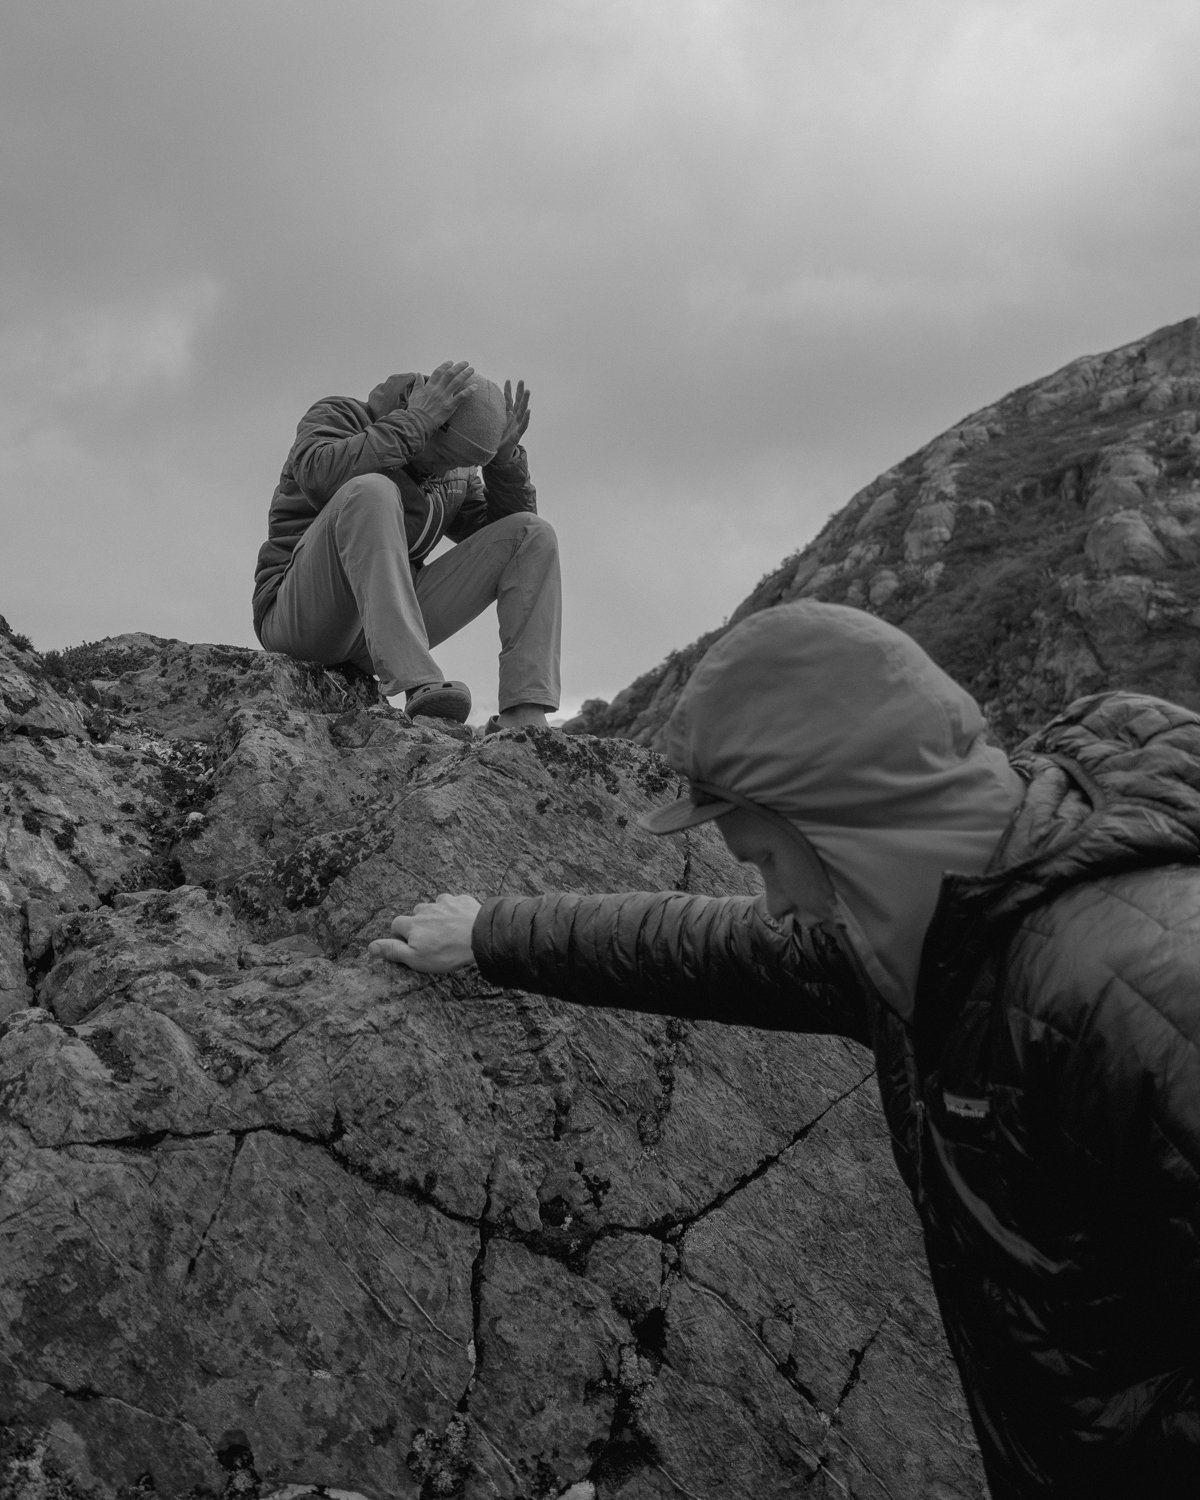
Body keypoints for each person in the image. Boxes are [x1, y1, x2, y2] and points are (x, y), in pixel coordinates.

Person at [369, 600, 1200, 1498]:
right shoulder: (930, 940)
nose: (769, 901)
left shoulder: (1139, 990)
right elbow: (702, 950)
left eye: (764, 859)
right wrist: (493, 932)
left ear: (847, 822)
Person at [253, 360, 561, 730]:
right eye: (446, 458)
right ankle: (417, 683)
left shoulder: (455, 473)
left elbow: (502, 541)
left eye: (462, 465)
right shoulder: (339, 414)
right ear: (434, 417)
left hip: (374, 636)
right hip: (301, 619)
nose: (445, 472)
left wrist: (504, 462)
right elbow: (320, 477)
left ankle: (523, 713)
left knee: (532, 533)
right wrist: (416, 422)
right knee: (371, 490)